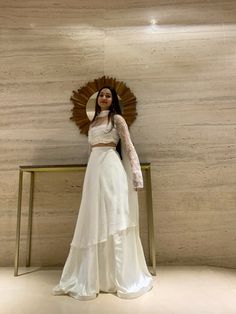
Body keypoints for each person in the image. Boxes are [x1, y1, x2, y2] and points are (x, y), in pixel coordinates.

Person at [52, 86, 153, 300]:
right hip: (94, 169)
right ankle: (94, 277)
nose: (104, 98)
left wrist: (136, 173)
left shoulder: (117, 119)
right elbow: (91, 150)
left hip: (111, 167)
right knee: (93, 217)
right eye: (101, 95)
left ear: (113, 99)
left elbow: (129, 146)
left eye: (108, 95)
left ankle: (118, 276)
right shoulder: (93, 122)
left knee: (114, 216)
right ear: (97, 100)